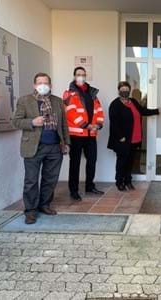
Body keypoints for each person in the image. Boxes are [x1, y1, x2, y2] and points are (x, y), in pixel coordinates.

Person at [12, 73, 70, 224]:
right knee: (31, 181)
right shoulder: (24, 100)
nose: (42, 85)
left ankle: (44, 205)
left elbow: (63, 123)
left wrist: (67, 142)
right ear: (34, 85)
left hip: (54, 147)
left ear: (50, 85)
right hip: (33, 147)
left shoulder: (57, 101)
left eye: (45, 82)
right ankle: (30, 211)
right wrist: (32, 122)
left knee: (50, 180)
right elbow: (16, 122)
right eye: (39, 82)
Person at [107, 81, 160, 191]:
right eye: (123, 90)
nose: (125, 92)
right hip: (122, 139)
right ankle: (119, 182)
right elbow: (114, 122)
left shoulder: (133, 102)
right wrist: (120, 136)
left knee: (131, 161)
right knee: (122, 161)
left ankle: (128, 181)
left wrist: (157, 111)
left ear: (129, 91)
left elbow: (143, 111)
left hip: (135, 137)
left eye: (127, 90)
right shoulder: (115, 104)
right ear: (119, 91)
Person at [63, 67, 105, 201]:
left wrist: (98, 124)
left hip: (91, 134)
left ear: (86, 76)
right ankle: (73, 191)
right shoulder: (69, 93)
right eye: (78, 74)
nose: (80, 76)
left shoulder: (92, 93)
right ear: (74, 76)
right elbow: (70, 113)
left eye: (83, 74)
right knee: (74, 163)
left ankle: (90, 186)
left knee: (92, 161)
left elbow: (99, 111)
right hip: (76, 135)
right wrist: (86, 125)